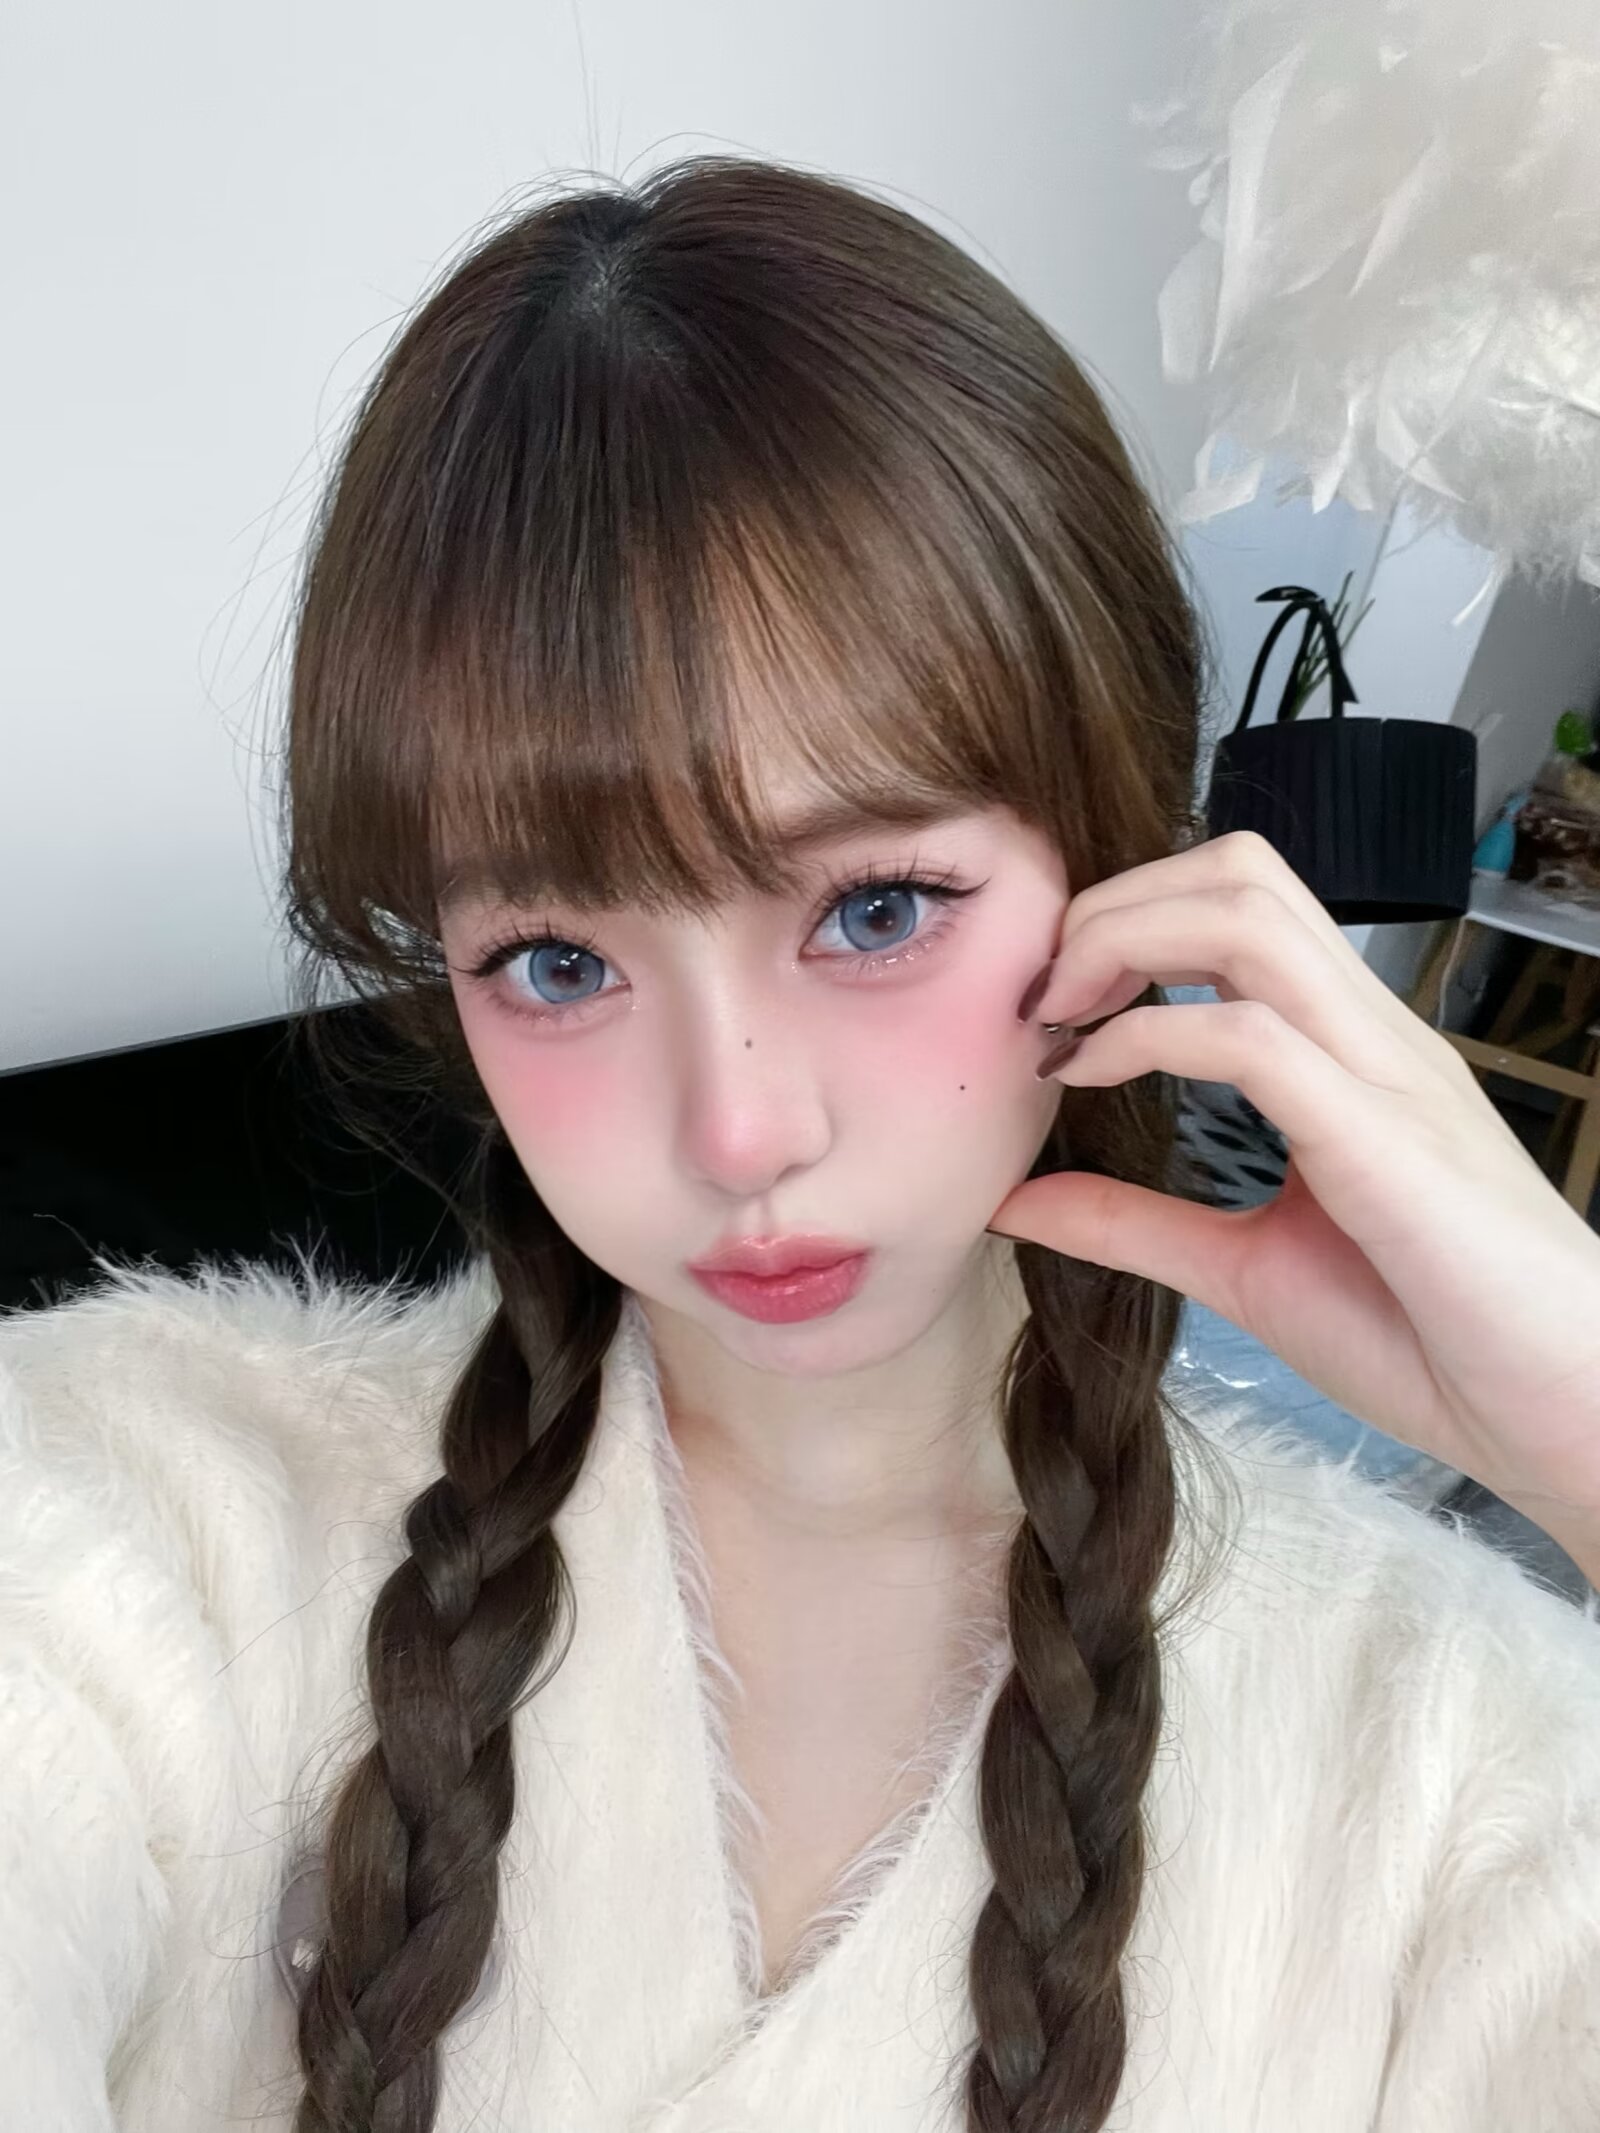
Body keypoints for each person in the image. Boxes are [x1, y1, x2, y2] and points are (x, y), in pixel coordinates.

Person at [3, 153, 1598, 2133]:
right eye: (558, 959)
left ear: (1117, 854)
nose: (738, 1126)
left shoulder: (1454, 1769)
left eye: (874, 907)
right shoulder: (157, 1521)